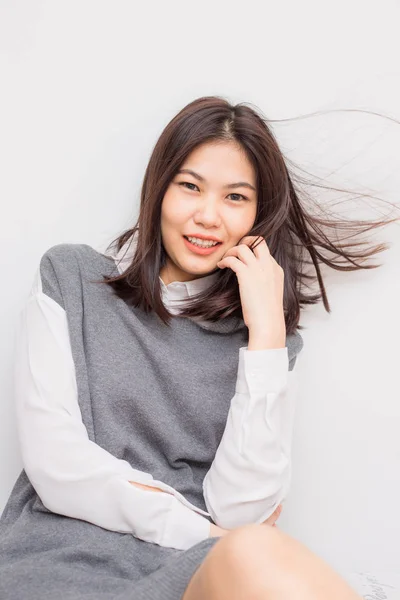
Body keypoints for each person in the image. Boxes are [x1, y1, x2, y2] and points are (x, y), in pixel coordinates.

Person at [1, 95, 397, 599]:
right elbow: (58, 467)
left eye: (235, 198)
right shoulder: (70, 278)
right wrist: (206, 533)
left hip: (202, 576)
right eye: (190, 187)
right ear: (159, 189)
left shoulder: (268, 347)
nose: (208, 216)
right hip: (63, 562)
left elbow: (242, 514)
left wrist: (267, 333)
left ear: (258, 216)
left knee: (252, 553)